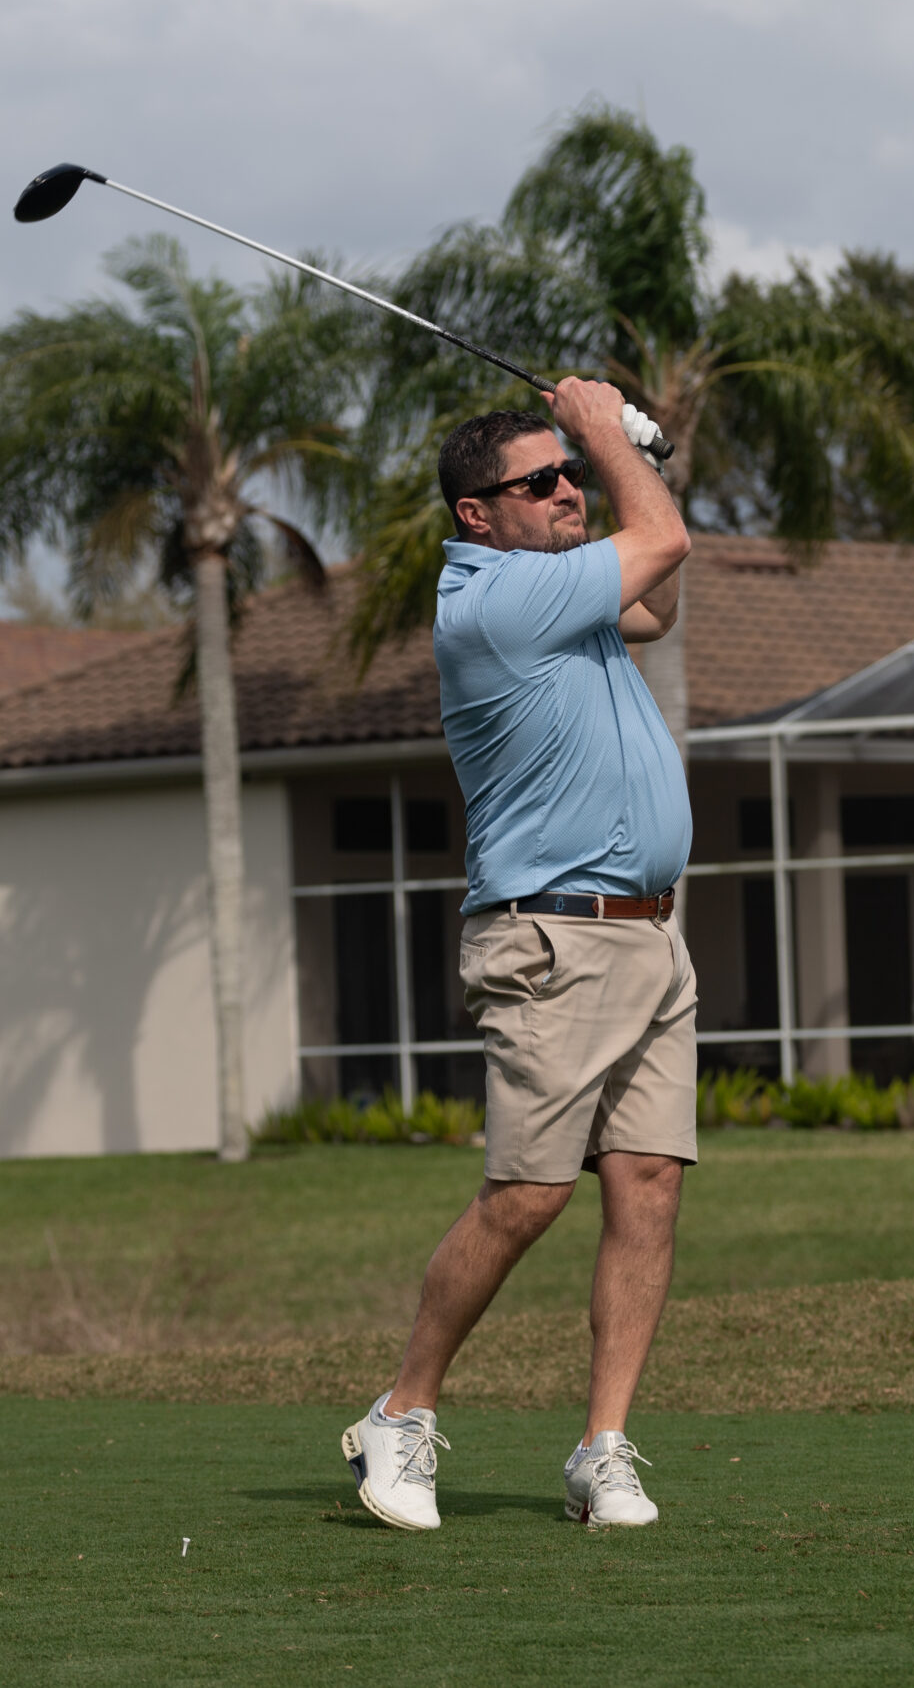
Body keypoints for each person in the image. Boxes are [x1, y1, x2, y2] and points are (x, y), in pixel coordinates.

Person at [342, 379, 695, 1530]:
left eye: (571, 475)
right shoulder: (497, 603)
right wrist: (604, 429)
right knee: (528, 1196)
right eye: (539, 482)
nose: (566, 493)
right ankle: (400, 1412)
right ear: (475, 515)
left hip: (649, 934)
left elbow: (658, 604)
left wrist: (637, 458)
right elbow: (663, 544)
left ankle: (603, 1449)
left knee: (646, 1186)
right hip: (551, 938)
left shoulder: (562, 591)